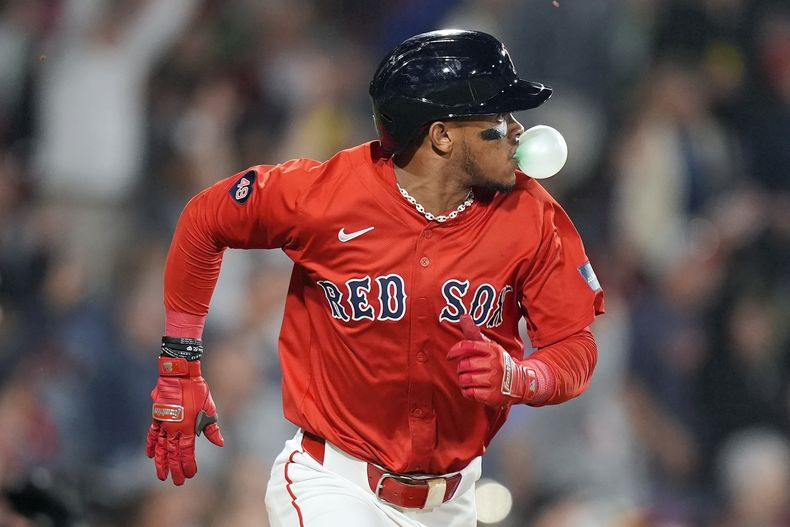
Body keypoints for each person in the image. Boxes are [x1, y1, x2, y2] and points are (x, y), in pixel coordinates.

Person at [145, 29, 605, 527]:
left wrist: (524, 377)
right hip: (336, 486)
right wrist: (180, 365)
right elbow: (203, 221)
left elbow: (574, 345)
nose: (517, 131)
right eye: (498, 116)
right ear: (442, 135)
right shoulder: (326, 196)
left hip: (454, 500)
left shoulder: (530, 213)